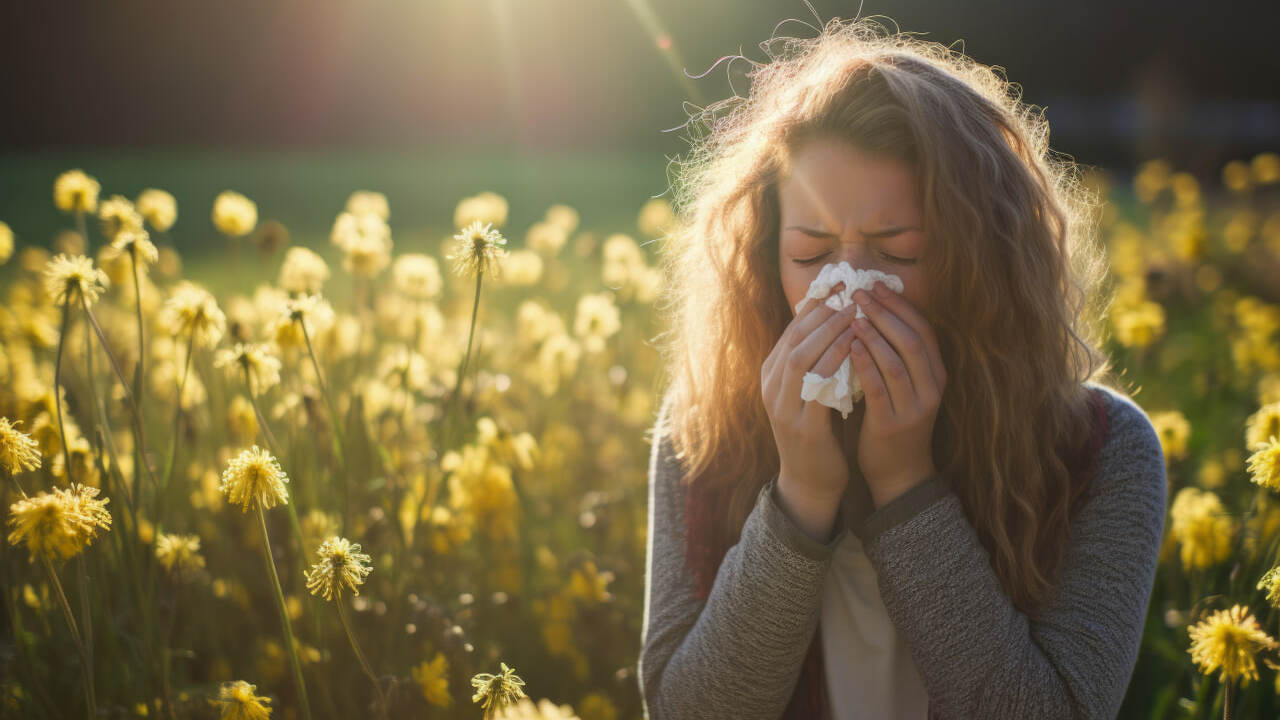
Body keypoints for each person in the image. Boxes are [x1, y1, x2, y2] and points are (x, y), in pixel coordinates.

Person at [636, 15, 1167, 720]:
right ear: (768, 257)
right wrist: (799, 497)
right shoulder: (704, 423)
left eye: (899, 252)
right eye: (809, 254)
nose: (848, 290)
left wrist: (905, 486)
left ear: (984, 264)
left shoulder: (1103, 452)